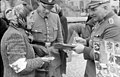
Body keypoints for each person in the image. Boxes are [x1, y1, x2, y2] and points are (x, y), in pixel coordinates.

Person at [1, 3, 53, 77]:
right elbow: (19, 66)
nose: (33, 21)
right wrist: (41, 61)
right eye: (30, 17)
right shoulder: (14, 35)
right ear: (21, 18)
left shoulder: (18, 32)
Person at [72, 0, 120, 77]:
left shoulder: (113, 25)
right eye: (90, 10)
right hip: (92, 70)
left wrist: (84, 50)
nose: (90, 14)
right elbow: (98, 39)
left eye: (94, 9)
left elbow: (106, 55)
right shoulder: (101, 21)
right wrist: (86, 42)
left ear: (105, 8)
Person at [27, 0, 64, 77]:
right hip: (38, 56)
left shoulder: (56, 17)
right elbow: (27, 41)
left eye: (50, 8)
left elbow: (60, 38)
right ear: (39, 4)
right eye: (44, 7)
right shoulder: (30, 16)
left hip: (54, 57)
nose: (47, 10)